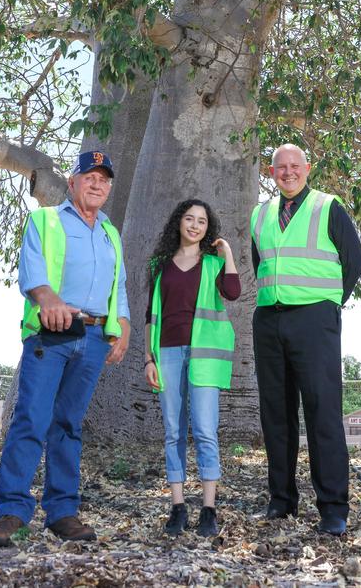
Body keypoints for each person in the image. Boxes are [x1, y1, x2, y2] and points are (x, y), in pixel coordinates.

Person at [0, 151, 131, 547]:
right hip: (52, 334)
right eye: (89, 177)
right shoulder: (45, 220)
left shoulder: (111, 232)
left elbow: (118, 285)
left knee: (68, 424)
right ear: (73, 182)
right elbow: (32, 271)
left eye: (104, 179)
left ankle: (62, 512)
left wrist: (125, 326)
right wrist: (47, 298)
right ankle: (12, 510)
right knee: (31, 418)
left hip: (96, 338)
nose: (97, 184)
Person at [251, 144, 361, 536]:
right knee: (276, 415)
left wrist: (328, 304)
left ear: (307, 169)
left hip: (315, 319)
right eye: (280, 167)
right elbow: (258, 263)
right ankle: (281, 502)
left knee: (322, 412)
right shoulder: (260, 214)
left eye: (294, 166)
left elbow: (354, 260)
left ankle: (333, 507)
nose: (288, 172)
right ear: (271, 172)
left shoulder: (327, 206)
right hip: (269, 319)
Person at [144, 199, 241, 538]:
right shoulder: (160, 265)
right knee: (173, 431)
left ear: (207, 227)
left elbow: (233, 292)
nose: (195, 225)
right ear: (179, 222)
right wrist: (149, 358)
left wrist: (227, 252)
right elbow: (150, 316)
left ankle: (209, 509)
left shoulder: (214, 264)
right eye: (189, 218)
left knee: (204, 431)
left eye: (201, 221)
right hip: (167, 353)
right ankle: (178, 506)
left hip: (204, 357)